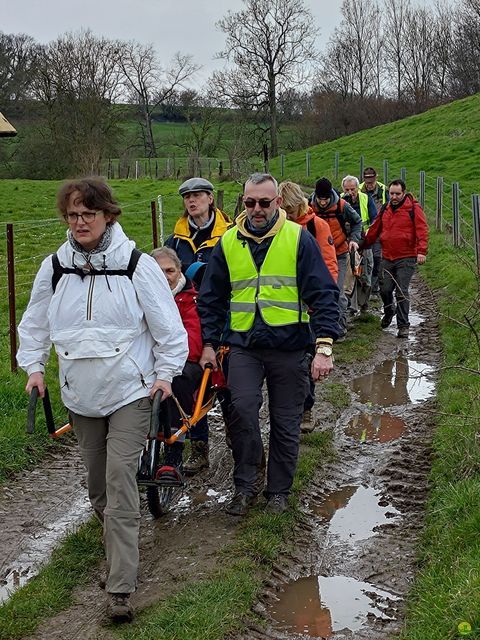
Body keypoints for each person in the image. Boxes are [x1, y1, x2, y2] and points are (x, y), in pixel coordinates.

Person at [17, 177, 188, 623]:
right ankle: (118, 552)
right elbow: (34, 324)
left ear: (107, 215)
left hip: (131, 391)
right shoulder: (54, 267)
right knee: (98, 491)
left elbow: (171, 330)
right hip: (81, 396)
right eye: (72, 216)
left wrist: (165, 376)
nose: (78, 223)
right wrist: (34, 368)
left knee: (119, 480)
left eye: (87, 214)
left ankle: (120, 589)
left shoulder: (136, 265)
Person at [198, 173, 340, 516]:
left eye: (264, 202)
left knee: (286, 422)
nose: (257, 209)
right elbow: (211, 298)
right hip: (244, 345)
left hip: (289, 346)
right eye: (250, 203)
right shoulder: (228, 242)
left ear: (278, 202)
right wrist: (208, 343)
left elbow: (323, 293)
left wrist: (323, 347)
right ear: (242, 203)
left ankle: (278, 492)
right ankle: (246, 485)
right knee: (242, 412)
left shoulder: (297, 238)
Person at [165, 177, 232, 474]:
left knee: (229, 386)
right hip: (188, 317)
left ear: (210, 198)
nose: (192, 201)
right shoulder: (175, 240)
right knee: (195, 388)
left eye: (197, 196)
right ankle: (199, 447)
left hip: (225, 317)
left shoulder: (229, 234)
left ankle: (236, 436)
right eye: (187, 197)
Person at [278, 180, 338, 434]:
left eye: (291, 212)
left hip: (310, 308)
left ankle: (306, 408)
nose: (288, 217)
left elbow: (329, 265)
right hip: (282, 307)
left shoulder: (317, 226)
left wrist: (322, 300)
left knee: (305, 360)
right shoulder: (276, 228)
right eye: (285, 212)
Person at [151, 246, 205, 479]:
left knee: (178, 379)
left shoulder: (192, 299)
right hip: (149, 360)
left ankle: (174, 452)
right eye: (157, 271)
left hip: (183, 361)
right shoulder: (140, 297)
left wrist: (167, 359)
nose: (164, 277)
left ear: (179, 271)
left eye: (169, 271)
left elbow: (193, 343)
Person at [361, 179, 429, 338]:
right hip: (388, 256)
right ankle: (389, 310)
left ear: (403, 193)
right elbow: (374, 229)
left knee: (401, 290)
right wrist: (362, 244)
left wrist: (422, 251)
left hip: (407, 257)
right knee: (384, 289)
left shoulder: (413, 208)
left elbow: (422, 230)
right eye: (392, 193)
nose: (394, 197)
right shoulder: (385, 208)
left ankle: (403, 325)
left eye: (397, 194)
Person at [309, 177, 362, 338]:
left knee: (337, 292)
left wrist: (353, 240)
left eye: (325, 199)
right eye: (320, 199)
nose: (323, 203)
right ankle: (318, 327)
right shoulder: (309, 206)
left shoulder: (341, 206)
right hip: (317, 256)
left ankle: (340, 326)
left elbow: (357, 222)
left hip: (339, 253)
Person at [341, 175, 377, 314]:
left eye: (353, 189)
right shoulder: (340, 201)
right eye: (347, 189)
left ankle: (364, 303)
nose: (350, 192)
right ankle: (351, 305)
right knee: (350, 275)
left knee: (366, 274)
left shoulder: (366, 199)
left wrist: (368, 232)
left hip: (365, 241)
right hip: (347, 243)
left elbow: (374, 218)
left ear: (358, 187)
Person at [359, 167, 389, 295]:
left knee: (377, 259)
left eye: (372, 182)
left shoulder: (384, 190)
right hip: (362, 233)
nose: (370, 185)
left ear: (376, 178)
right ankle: (363, 287)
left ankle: (374, 287)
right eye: (367, 182)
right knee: (362, 261)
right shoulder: (358, 189)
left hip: (379, 232)